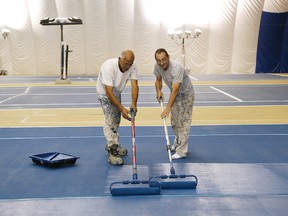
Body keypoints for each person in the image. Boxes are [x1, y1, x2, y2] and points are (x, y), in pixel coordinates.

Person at [96, 50, 139, 165]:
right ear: (120, 59)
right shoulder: (108, 67)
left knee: (116, 120)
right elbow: (109, 92)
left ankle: (115, 143)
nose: (128, 66)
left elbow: (135, 85)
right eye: (126, 63)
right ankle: (112, 152)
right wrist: (121, 108)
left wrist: (134, 103)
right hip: (105, 94)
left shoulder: (133, 66)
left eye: (130, 64)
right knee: (110, 121)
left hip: (116, 93)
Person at [153, 48, 195, 159]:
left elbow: (175, 89)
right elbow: (158, 80)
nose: (161, 63)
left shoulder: (176, 68)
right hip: (175, 95)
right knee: (175, 122)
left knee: (183, 123)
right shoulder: (157, 67)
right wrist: (158, 91)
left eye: (163, 60)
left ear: (168, 57)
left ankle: (182, 151)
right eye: (159, 60)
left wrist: (167, 108)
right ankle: (178, 142)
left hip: (186, 95)